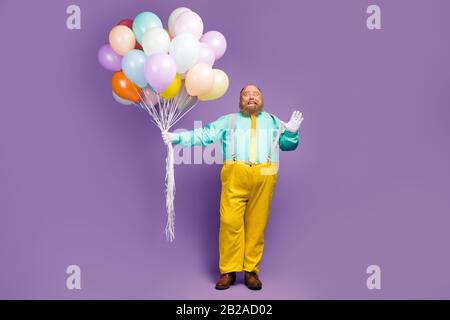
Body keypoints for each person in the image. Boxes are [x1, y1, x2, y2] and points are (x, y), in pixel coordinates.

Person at [162, 84, 304, 290]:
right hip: (235, 177)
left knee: (257, 224)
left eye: (255, 94)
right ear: (240, 100)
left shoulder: (274, 122)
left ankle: (251, 272)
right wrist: (178, 137)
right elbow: (205, 134)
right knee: (229, 222)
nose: (251, 97)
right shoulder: (228, 121)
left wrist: (292, 132)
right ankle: (228, 271)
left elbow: (288, 145)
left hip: (265, 176)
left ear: (261, 99)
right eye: (247, 94)